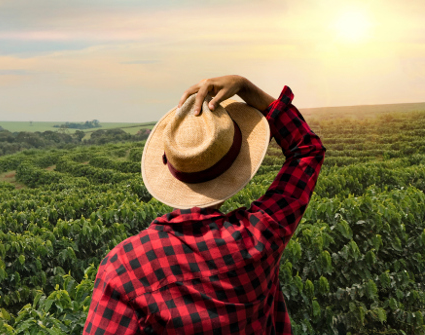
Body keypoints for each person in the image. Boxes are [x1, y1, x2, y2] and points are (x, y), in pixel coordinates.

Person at [84, 75, 326, 334]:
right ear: (236, 162)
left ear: (168, 164)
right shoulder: (259, 236)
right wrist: (245, 86)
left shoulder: (124, 268)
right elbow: (306, 150)